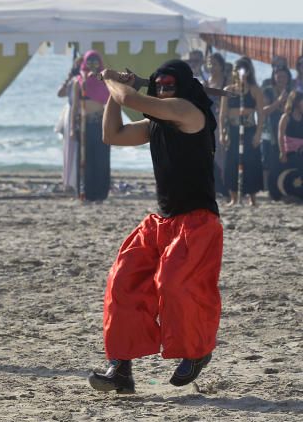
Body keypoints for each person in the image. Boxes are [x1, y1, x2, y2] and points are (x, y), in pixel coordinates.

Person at [89, 60, 222, 393]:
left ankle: (198, 351)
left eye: (168, 85)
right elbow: (112, 135)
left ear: (181, 88)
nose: (163, 90)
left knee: (174, 285)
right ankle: (120, 368)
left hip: (197, 222)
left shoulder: (187, 111)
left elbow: (130, 99)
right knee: (122, 280)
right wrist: (113, 93)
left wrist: (109, 79)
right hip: (162, 222)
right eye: (158, 85)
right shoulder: (157, 124)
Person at [219, 57, 264, 206]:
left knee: (251, 162)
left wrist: (258, 134)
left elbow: (261, 114)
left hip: (250, 129)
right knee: (231, 162)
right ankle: (234, 197)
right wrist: (222, 132)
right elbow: (223, 114)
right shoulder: (228, 90)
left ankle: (252, 198)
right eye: (237, 70)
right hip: (233, 130)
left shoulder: (255, 90)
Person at [71, 50, 111, 202]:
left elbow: (111, 104)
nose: (92, 65)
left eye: (95, 61)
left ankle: (100, 194)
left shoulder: (105, 80)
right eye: (90, 61)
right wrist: (71, 129)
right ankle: (85, 194)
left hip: (100, 124)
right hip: (83, 126)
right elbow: (75, 107)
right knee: (85, 160)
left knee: (101, 160)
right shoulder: (79, 81)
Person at [261, 67, 293, 200]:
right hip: (270, 130)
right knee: (270, 161)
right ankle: (270, 190)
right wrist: (279, 101)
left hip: (288, 129)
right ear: (274, 77)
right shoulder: (268, 91)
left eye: (283, 77)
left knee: (285, 160)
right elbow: (264, 110)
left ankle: (285, 188)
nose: (281, 79)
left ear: (288, 78)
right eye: (278, 76)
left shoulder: (291, 92)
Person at [56, 55, 83, 193]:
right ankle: (70, 180)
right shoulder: (73, 81)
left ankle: (75, 179)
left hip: (81, 113)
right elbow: (60, 93)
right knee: (70, 147)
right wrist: (70, 73)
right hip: (71, 113)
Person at [206, 52, 229, 201]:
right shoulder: (207, 81)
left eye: (214, 63)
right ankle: (214, 187)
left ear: (221, 66)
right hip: (208, 122)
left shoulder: (226, 82)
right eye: (209, 63)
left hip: (222, 122)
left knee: (222, 155)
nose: (211, 67)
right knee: (209, 154)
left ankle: (226, 186)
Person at [277, 91, 303, 201]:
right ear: (296, 103)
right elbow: (280, 136)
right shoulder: (286, 117)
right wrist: (282, 152)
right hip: (290, 151)